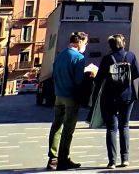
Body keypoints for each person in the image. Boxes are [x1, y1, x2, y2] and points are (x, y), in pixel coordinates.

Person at [47, 31, 96, 171]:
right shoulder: (78, 57)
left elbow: (55, 74)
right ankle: (63, 158)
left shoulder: (61, 55)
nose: (85, 46)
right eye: (85, 43)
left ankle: (53, 158)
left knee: (56, 126)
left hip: (59, 94)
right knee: (68, 129)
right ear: (79, 42)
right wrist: (88, 72)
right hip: (71, 96)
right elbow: (78, 80)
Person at [94, 34, 139, 168]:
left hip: (109, 97)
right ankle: (125, 159)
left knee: (111, 128)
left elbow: (98, 80)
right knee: (125, 126)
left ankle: (112, 161)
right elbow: (138, 73)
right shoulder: (131, 56)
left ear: (110, 45)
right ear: (123, 43)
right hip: (127, 95)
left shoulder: (107, 59)